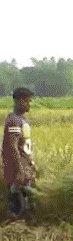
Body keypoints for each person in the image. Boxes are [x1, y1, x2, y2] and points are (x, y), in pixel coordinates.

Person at [2, 87, 36, 220]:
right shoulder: (14, 120)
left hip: (25, 168)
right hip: (17, 172)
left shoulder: (23, 120)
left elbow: (24, 146)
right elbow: (13, 147)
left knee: (25, 206)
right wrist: (19, 170)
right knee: (17, 207)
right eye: (27, 101)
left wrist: (31, 164)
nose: (29, 104)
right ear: (20, 100)